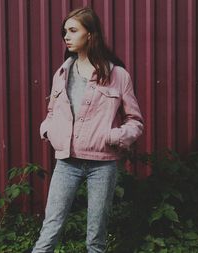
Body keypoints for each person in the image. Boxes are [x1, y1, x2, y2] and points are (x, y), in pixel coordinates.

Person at [32, 7, 144, 253]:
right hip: (67, 162)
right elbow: (52, 111)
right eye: (65, 31)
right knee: (50, 229)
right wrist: (49, 130)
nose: (66, 36)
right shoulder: (61, 73)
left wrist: (113, 136)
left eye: (73, 30)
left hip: (102, 164)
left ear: (91, 34)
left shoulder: (118, 75)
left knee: (96, 236)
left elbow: (135, 120)